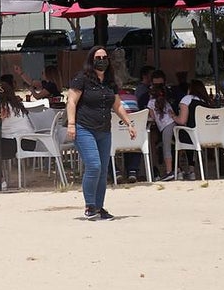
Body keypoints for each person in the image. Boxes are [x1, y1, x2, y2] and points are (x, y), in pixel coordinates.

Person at [66, 46, 136, 220]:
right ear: (91, 60)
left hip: (104, 131)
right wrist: (71, 124)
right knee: (94, 166)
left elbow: (117, 105)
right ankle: (90, 206)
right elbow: (71, 101)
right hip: (84, 128)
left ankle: (99, 207)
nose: (102, 61)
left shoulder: (110, 82)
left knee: (103, 170)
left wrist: (129, 123)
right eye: (98, 58)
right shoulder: (82, 79)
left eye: (105, 58)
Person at [171, 78, 212, 180]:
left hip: (191, 135)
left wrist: (173, 116)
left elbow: (182, 121)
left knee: (172, 137)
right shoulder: (206, 102)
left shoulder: (187, 99)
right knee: (188, 135)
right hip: (206, 136)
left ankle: (178, 170)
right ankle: (191, 170)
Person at [146, 74, 177, 181]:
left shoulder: (150, 103)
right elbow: (172, 113)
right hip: (172, 123)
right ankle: (176, 169)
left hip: (165, 126)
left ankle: (169, 172)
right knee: (173, 146)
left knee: (166, 148)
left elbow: (152, 118)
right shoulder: (166, 102)